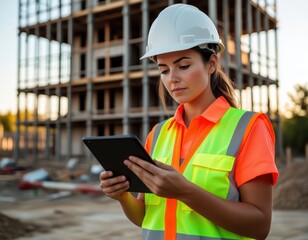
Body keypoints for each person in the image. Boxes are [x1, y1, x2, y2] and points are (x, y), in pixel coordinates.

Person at [99, 3, 279, 240]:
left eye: (183, 66)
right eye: (163, 70)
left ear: (212, 63)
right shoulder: (159, 133)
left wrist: (186, 192)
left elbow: (259, 226)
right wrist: (122, 196)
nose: (172, 79)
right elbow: (146, 217)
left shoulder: (248, 128)